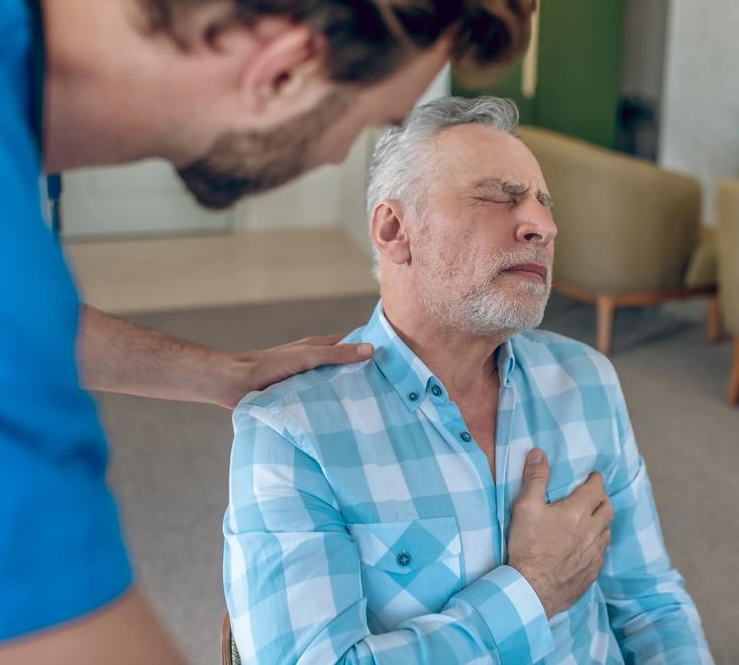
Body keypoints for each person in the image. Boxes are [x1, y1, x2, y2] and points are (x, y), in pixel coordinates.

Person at [0, 0, 533, 662]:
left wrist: (219, 374)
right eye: (370, 120)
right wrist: (529, 588)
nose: (336, 155)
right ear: (282, 72)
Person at [223, 96, 712, 664]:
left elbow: (651, 603)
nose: (544, 226)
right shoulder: (293, 431)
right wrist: (534, 589)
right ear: (394, 229)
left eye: (544, 205)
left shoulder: (588, 381)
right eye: (497, 198)